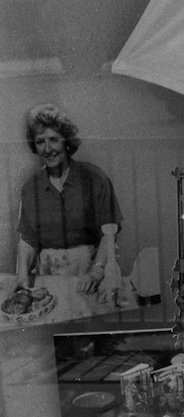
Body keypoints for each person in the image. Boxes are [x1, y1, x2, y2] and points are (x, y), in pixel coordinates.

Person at [15, 104, 123, 294]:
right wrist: (22, 275)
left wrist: (96, 271)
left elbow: (109, 233)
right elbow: (28, 240)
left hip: (90, 276)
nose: (48, 149)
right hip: (47, 278)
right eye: (40, 142)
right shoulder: (30, 188)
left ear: (66, 141)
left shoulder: (94, 178)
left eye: (54, 140)